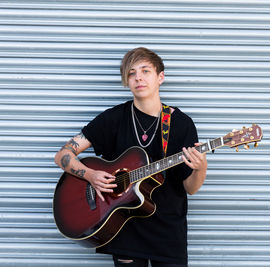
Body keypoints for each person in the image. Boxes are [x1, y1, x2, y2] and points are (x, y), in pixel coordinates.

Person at [54, 47, 208, 267]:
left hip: (168, 232)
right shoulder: (113, 119)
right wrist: (90, 175)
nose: (138, 77)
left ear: (160, 77)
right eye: (131, 73)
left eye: (145, 71)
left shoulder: (181, 124)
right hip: (125, 230)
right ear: (126, 81)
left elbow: (190, 188)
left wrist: (200, 168)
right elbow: (63, 155)